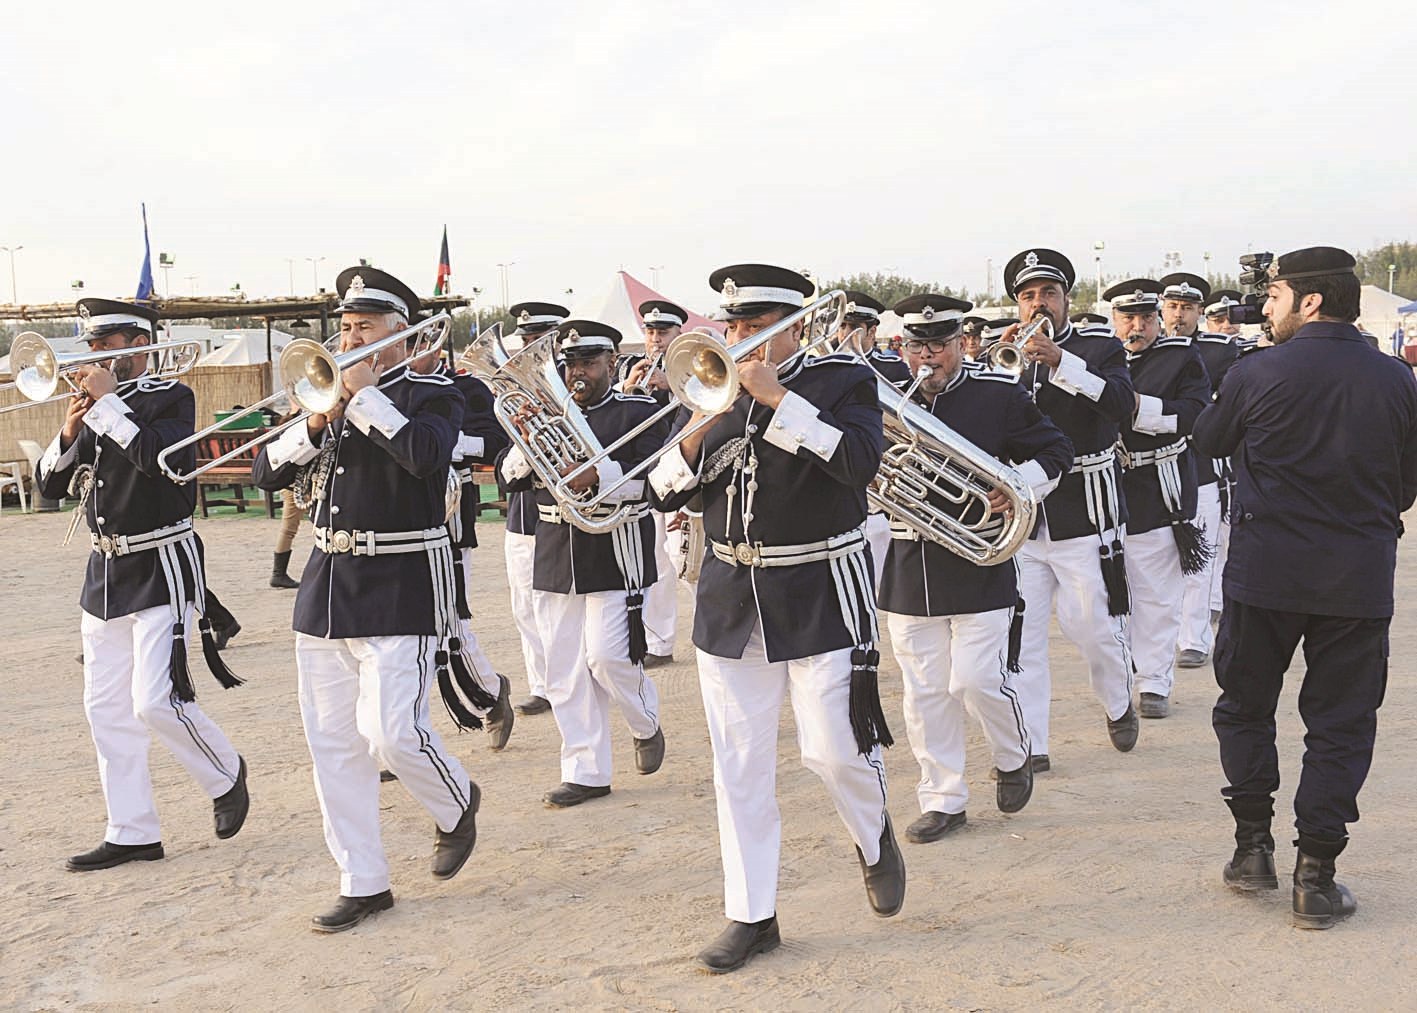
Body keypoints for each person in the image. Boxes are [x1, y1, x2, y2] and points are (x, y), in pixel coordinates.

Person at [649, 263, 903, 974]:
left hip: (821, 584)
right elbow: (660, 490)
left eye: (756, 326)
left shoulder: (842, 381)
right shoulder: (707, 387)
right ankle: (751, 912)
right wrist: (700, 426)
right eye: (733, 325)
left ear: (795, 326)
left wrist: (780, 400)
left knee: (834, 749)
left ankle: (873, 832)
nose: (740, 338)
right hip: (731, 593)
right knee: (738, 764)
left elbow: (857, 464)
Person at [252, 267, 488, 932]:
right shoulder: (321, 390)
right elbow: (266, 472)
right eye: (347, 326)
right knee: (333, 744)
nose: (350, 337)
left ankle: (456, 803)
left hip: (401, 580)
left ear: (402, 334)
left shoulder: (433, 392)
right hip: (327, 585)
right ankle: (362, 880)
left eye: (365, 327)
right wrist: (316, 418)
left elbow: (424, 456)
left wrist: (364, 398)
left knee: (393, 733)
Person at [1193, 246, 1417, 929]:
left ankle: (1251, 850)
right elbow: (1406, 484)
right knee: (1340, 724)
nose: (1266, 308)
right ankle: (1315, 877)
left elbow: (1207, 442)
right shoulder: (1397, 378)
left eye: (1274, 295)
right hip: (1356, 577)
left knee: (1245, 707)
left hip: (1264, 572)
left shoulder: (1256, 369)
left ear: (1309, 300)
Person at [36, 297, 249, 872]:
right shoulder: (94, 407)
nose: (94, 356)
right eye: (92, 345)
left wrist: (108, 405)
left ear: (140, 344)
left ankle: (226, 773)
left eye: (106, 345)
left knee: (155, 699)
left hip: (161, 561)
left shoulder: (170, 398)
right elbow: (50, 488)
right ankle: (131, 830)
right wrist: (70, 428)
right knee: (105, 709)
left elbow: (162, 462)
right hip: (104, 573)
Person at [878, 307, 1072, 842]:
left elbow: (1057, 450)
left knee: (975, 679)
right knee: (925, 692)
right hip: (910, 562)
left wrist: (1016, 484)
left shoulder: (998, 395)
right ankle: (943, 799)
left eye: (938, 346)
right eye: (917, 347)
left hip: (979, 557)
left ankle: (1013, 754)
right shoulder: (888, 398)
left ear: (960, 344)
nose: (927, 357)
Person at [501, 320, 668, 808]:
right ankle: (585, 770)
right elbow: (510, 478)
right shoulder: (546, 413)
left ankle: (645, 722)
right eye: (571, 364)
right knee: (564, 669)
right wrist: (526, 440)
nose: (578, 373)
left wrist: (601, 476)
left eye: (590, 363)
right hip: (556, 546)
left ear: (612, 363)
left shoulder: (638, 412)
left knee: (608, 657)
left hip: (616, 547)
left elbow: (656, 484)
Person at [1001, 250, 1138, 766]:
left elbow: (1121, 405)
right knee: (1022, 637)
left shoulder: (1100, 346)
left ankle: (1118, 700)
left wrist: (1060, 362)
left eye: (1049, 294)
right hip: (1025, 519)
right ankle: (1031, 743)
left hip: (1087, 510)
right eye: (1028, 296)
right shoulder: (1003, 354)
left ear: (1065, 299)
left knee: (1093, 626)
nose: (1039, 303)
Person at [1107, 279, 1212, 718]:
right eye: (1128, 318)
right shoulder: (1097, 357)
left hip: (1158, 486)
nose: (1138, 327)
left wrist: (1137, 406)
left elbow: (1195, 414)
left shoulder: (1181, 357)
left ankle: (1153, 681)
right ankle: (1122, 673)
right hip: (1102, 490)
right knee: (1108, 596)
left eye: (1146, 318)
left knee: (1156, 593)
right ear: (1114, 320)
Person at [501, 301, 570, 714]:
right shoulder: (508, 388)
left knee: (562, 610)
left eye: (537, 339)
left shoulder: (572, 383)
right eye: (525, 339)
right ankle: (541, 685)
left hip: (563, 514)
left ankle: (568, 681)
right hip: (523, 513)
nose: (528, 347)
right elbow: (498, 453)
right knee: (525, 606)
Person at [619, 299, 687, 666]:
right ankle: (658, 643)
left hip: (680, 476)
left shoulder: (692, 364)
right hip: (644, 478)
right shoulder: (629, 367)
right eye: (650, 332)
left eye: (664, 332)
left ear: (679, 334)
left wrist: (672, 385)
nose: (656, 339)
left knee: (682, 560)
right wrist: (629, 389)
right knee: (654, 562)